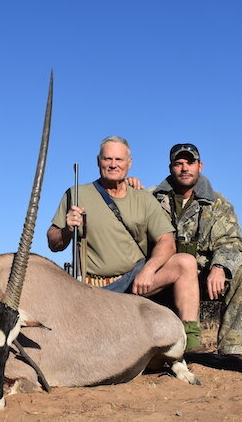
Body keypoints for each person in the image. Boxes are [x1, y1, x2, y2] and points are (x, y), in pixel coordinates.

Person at [46, 136, 203, 350]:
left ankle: (190, 342)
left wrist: (149, 269)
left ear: (129, 163)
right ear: (98, 161)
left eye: (119, 159)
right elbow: (54, 243)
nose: (113, 164)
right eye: (107, 159)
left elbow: (166, 241)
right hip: (96, 290)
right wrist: (67, 229)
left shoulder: (144, 198)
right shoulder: (76, 194)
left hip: (135, 281)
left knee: (185, 262)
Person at [138, 143, 242, 356]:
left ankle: (232, 352)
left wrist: (219, 267)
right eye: (178, 163)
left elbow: (232, 242)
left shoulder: (218, 203)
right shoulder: (148, 198)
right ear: (170, 168)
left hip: (203, 277)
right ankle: (179, 343)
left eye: (190, 163)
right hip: (162, 276)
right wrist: (127, 185)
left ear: (200, 166)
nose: (185, 168)